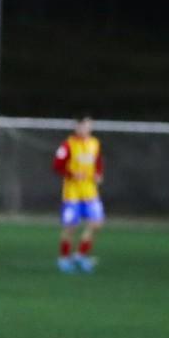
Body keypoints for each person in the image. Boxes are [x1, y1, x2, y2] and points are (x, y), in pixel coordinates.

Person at [53, 115, 103, 273]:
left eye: (88, 126)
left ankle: (81, 255)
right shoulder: (68, 145)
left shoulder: (94, 143)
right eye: (82, 126)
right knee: (71, 227)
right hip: (72, 193)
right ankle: (64, 258)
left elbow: (98, 162)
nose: (85, 129)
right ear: (76, 127)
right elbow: (57, 165)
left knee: (96, 223)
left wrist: (98, 174)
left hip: (90, 192)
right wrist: (72, 175)